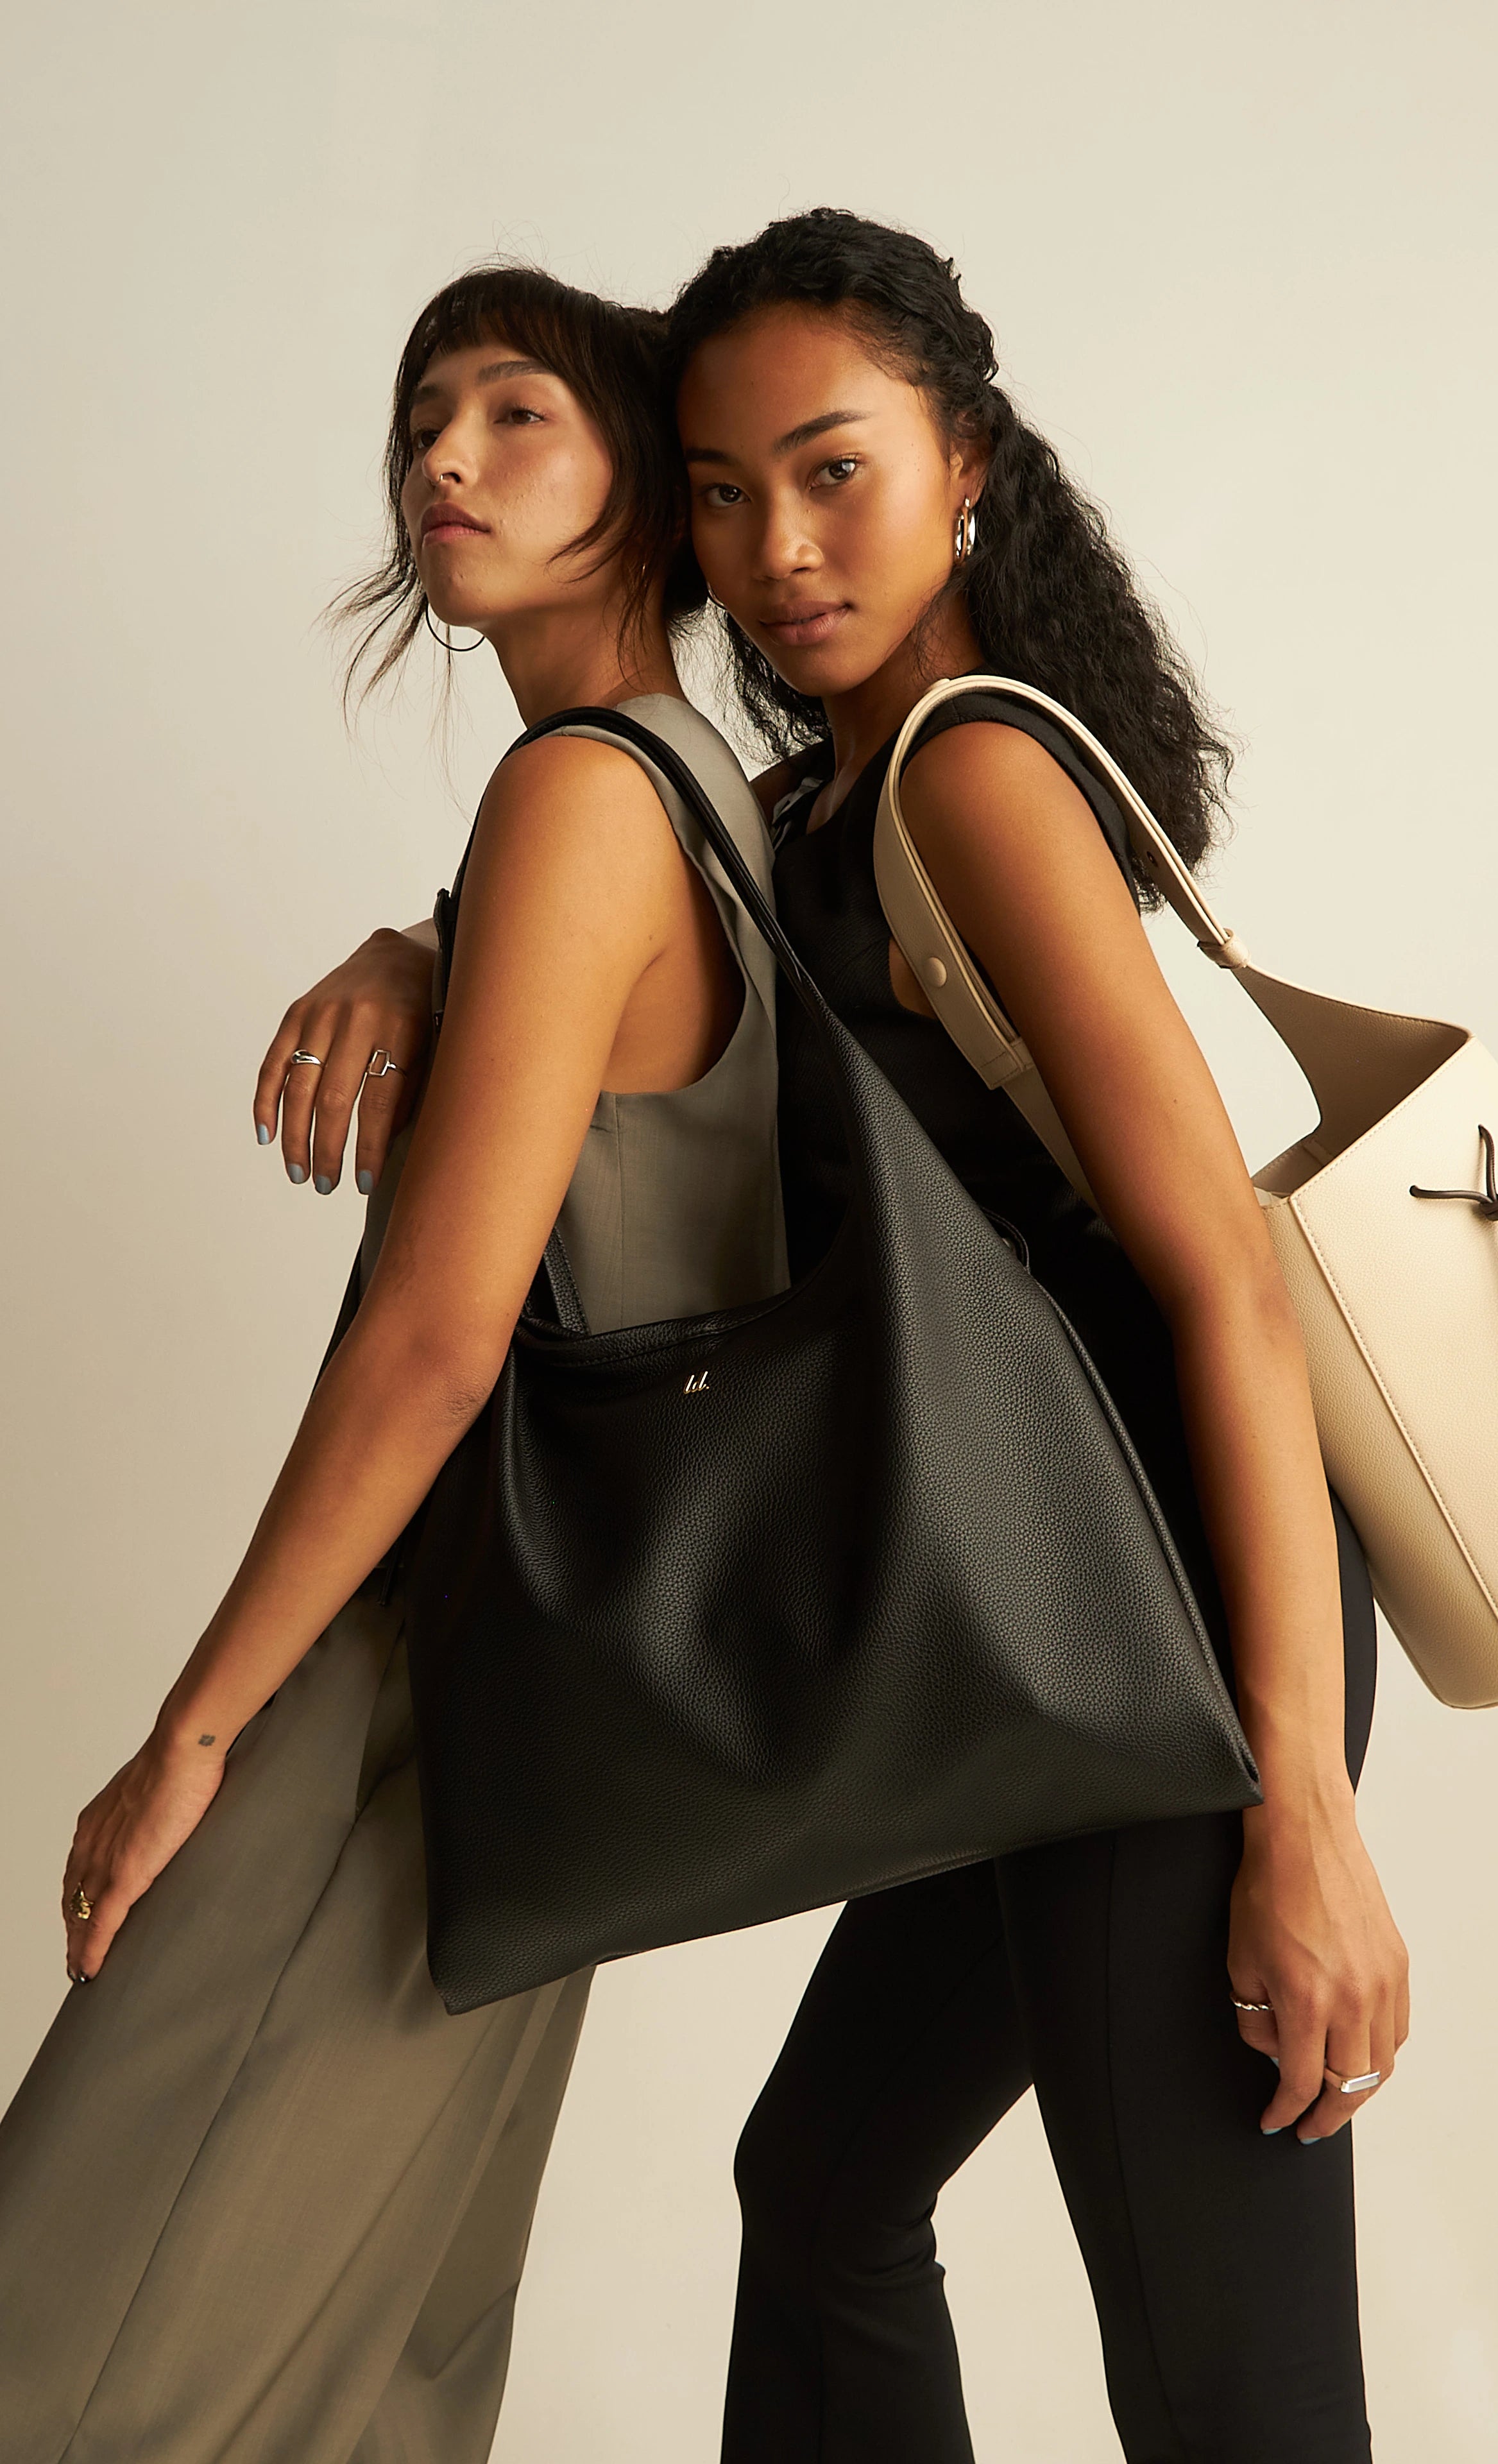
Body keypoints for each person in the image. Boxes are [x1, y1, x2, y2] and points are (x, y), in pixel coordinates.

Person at [248, 211, 1409, 2461]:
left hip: (1173, 1615)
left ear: (963, 461)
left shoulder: (971, 778)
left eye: (832, 470)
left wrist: (1307, 1810)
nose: (775, 548)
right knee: (825, 2190)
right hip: (1033, 1605)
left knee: (1232, 2384)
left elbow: (1228, 1289)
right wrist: (420, 943)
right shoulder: (827, 791)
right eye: (717, 487)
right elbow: (642, 876)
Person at [0, 262, 785, 2464]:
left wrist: (192, 1733)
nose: (444, 456)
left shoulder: (578, 807)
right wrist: (423, 934)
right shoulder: (698, 797)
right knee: (357, 2379)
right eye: (423, 415)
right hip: (564, 1741)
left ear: (644, 475)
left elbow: (446, 1343)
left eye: (516, 411)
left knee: (74, 2335)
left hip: (405, 1698)